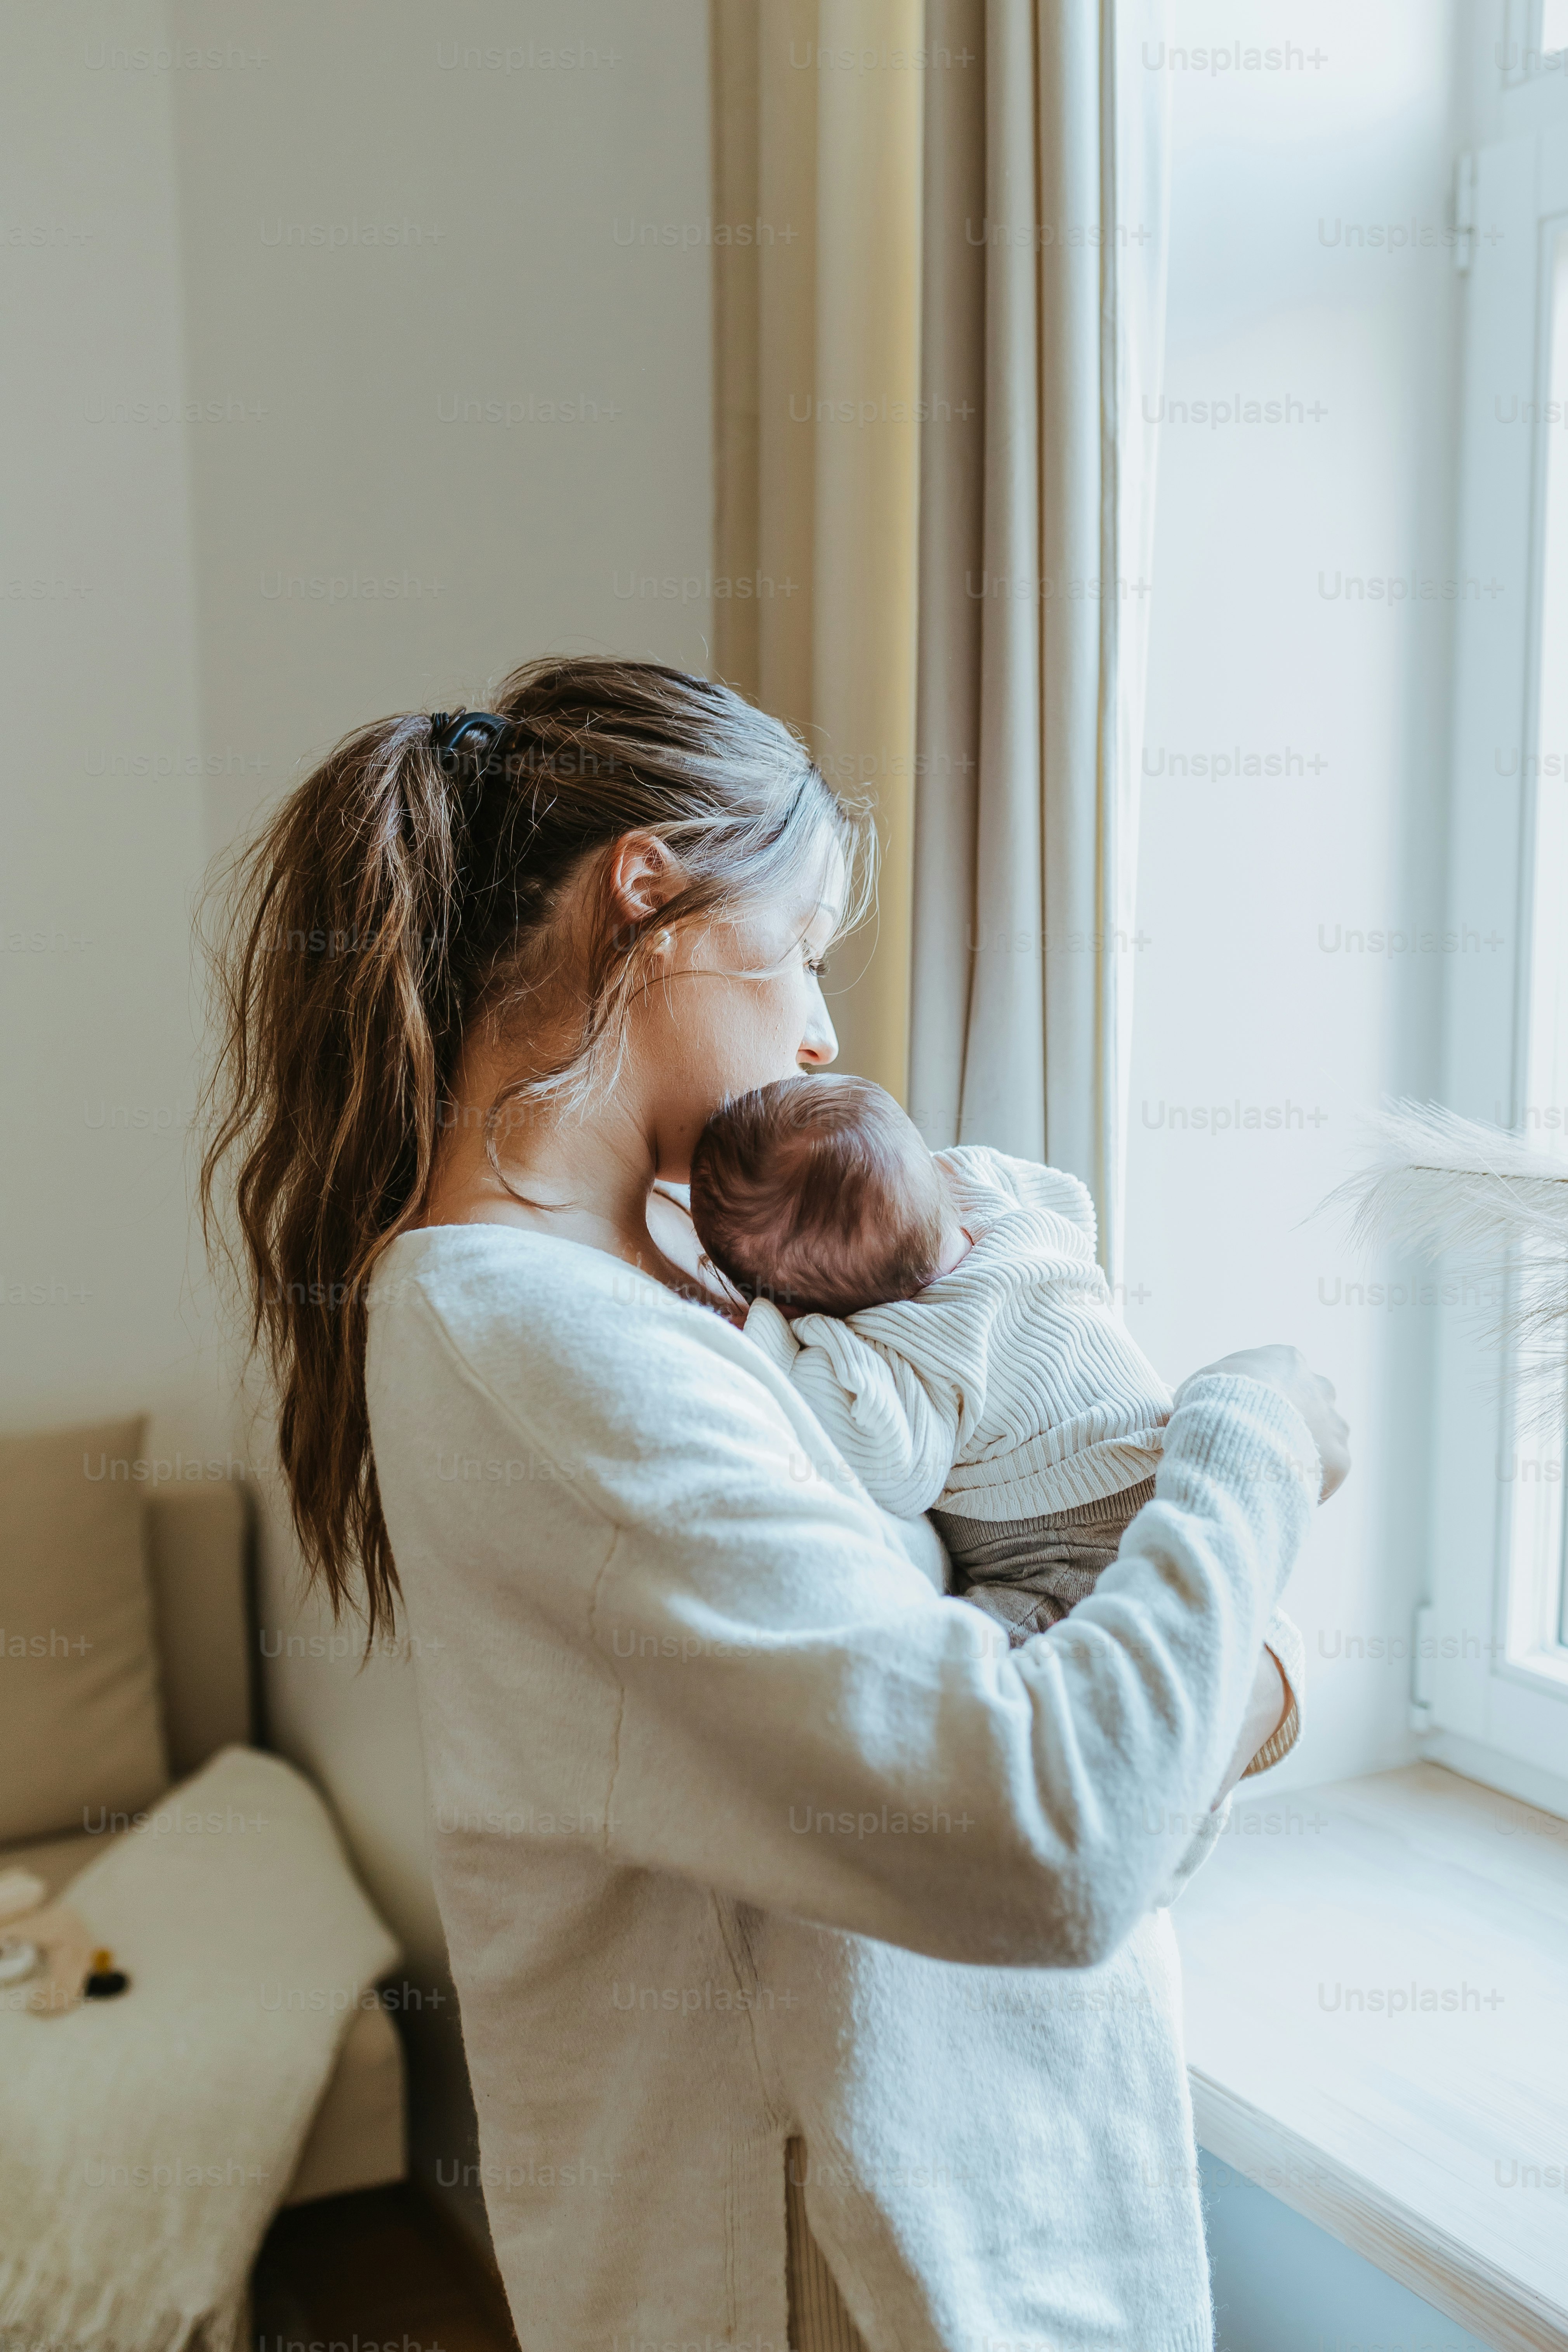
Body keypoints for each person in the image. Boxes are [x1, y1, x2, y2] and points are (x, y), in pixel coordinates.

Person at [202, 657, 1348, 2352]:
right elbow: (1051, 1822)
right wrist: (1249, 1442)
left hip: (971, 2230)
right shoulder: (533, 1338)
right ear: (648, 894)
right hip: (837, 2280)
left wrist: (1198, 1690)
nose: (819, 1024)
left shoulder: (685, 1276)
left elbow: (1024, 1756)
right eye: (801, 937)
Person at [686, 1070, 1307, 1773]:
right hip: (1156, 1461)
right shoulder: (992, 1193)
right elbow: (1072, 1200)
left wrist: (772, 1331)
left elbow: (894, 1470)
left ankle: (1170, 1743)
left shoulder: (898, 1350)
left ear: (803, 1303)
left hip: (1068, 1551)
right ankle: (1208, 1676)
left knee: (976, 1688)